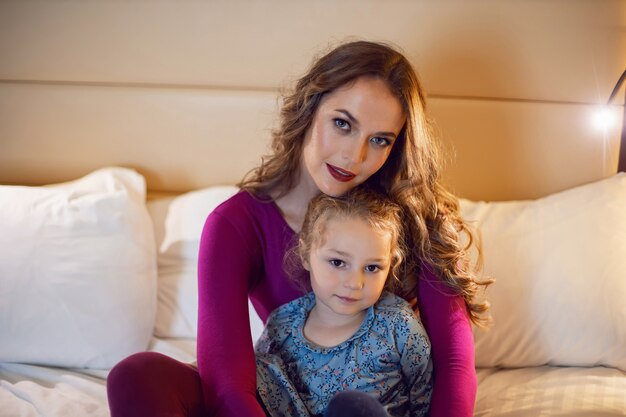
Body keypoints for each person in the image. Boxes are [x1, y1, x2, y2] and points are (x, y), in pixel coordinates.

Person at [107, 40, 491, 417]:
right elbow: (227, 382)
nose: (353, 156)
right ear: (310, 108)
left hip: (370, 408)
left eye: (379, 140)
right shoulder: (236, 224)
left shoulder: (418, 216)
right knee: (138, 375)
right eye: (342, 124)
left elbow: (456, 363)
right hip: (282, 400)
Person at [255, 188, 432, 417]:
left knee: (351, 407)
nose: (354, 283)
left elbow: (424, 398)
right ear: (305, 253)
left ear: (390, 265)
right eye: (338, 262)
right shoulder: (282, 325)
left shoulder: (398, 324)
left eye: (372, 268)